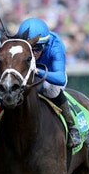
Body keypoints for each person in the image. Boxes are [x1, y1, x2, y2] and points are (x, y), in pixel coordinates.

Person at [14, 17, 81, 148]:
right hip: (26, 76)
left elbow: (60, 77)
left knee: (51, 88)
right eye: (30, 48)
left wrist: (37, 71)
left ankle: (72, 127)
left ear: (45, 44)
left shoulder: (55, 45)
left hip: (49, 76)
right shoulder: (19, 42)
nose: (33, 53)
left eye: (37, 49)